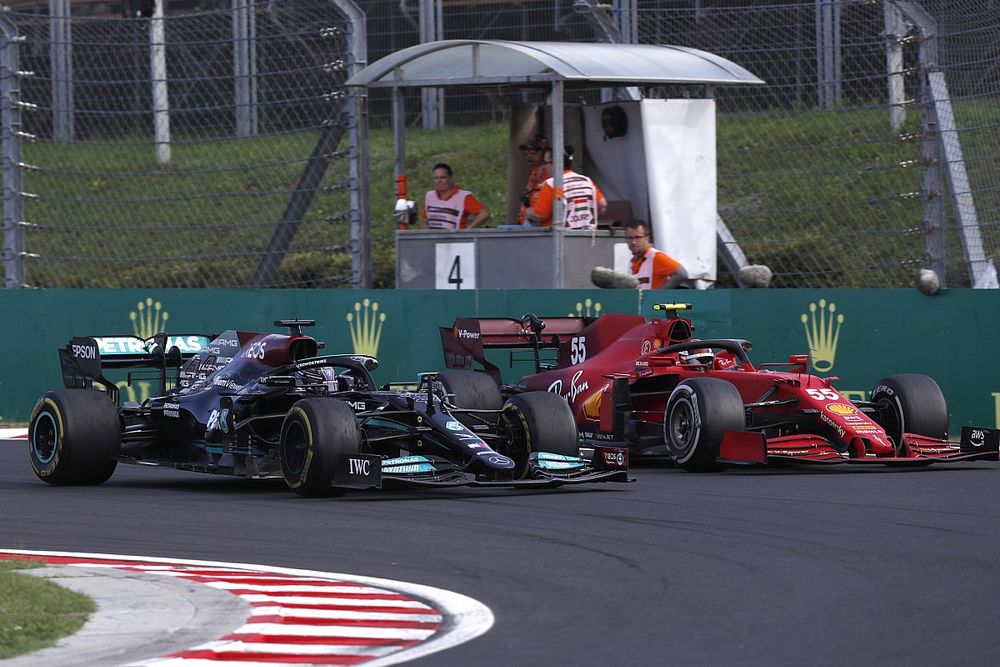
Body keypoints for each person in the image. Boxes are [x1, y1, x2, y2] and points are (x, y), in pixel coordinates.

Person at [525, 146, 607, 229]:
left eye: (545, 163)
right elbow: (602, 204)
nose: (544, 167)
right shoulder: (586, 180)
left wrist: (527, 211)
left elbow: (540, 214)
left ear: (554, 164)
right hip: (589, 237)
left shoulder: (552, 184)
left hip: (559, 238)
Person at [422, 163, 490, 230]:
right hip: (434, 239)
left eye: (443, 177)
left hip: (456, 239)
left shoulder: (464, 197)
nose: (439, 181)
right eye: (436, 178)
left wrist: (467, 232)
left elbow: (484, 214)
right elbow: (425, 221)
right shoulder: (429, 196)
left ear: (451, 178)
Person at [625, 220, 688, 290]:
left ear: (647, 239)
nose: (633, 242)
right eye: (630, 238)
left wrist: (658, 295)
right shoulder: (632, 261)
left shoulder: (656, 257)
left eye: (637, 238)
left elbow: (682, 274)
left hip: (654, 301)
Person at [516, 135, 549, 224]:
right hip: (528, 221)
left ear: (544, 153)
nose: (529, 156)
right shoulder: (535, 171)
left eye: (533, 153)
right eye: (527, 152)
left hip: (539, 223)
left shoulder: (549, 173)